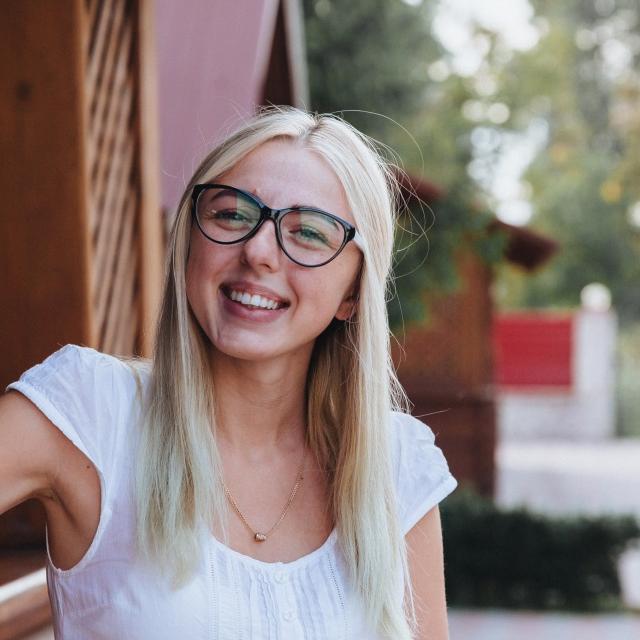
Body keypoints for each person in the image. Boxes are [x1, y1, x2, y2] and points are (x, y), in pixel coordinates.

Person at [0, 107, 457, 639]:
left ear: (352, 293)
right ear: (190, 242)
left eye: (309, 233)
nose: (258, 251)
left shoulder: (395, 464)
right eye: (232, 215)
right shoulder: (90, 411)